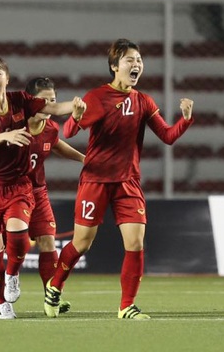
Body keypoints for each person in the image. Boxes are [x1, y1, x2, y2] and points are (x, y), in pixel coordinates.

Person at [43, 38, 194, 320]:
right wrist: (75, 117)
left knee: (136, 244)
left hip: (128, 182)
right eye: (129, 60)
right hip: (96, 180)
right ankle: (55, 285)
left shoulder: (144, 101)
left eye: (138, 60)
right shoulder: (97, 97)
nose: (136, 64)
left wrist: (185, 120)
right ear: (114, 66)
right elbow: (69, 133)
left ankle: (126, 306)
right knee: (82, 243)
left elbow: (168, 136)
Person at [0, 56, 79, 319]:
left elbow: (55, 108)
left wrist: (76, 105)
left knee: (19, 236)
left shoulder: (21, 100)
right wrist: (6, 135)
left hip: (18, 185)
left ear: (6, 78)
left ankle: (12, 274)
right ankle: (1, 302)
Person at [24, 77, 84, 315]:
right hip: (8, 192)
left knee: (48, 241)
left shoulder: (50, 128)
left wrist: (83, 158)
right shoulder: (13, 124)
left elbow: (56, 144)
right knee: (3, 247)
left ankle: (51, 296)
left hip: (38, 192)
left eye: (53, 100)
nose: (49, 104)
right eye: (44, 100)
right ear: (31, 101)